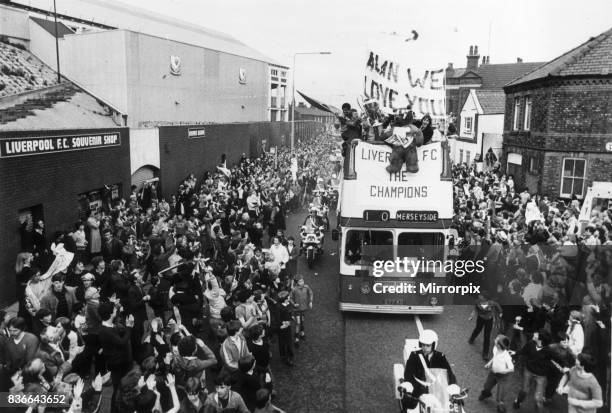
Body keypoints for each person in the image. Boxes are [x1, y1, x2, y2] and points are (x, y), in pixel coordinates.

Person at [98, 301, 135, 412]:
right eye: (114, 310)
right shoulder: (106, 331)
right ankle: (115, 409)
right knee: (119, 388)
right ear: (110, 314)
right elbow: (122, 342)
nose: (116, 311)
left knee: (119, 386)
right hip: (117, 363)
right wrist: (129, 327)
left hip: (118, 360)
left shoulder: (107, 325)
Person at [403, 329, 456, 399]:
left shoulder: (440, 356)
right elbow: (408, 373)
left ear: (434, 345)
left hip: (435, 388)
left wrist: (453, 390)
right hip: (418, 388)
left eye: (428, 345)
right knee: (409, 404)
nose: (425, 348)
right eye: (423, 345)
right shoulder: (414, 355)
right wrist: (409, 388)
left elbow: (449, 374)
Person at [478, 335, 514, 413]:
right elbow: (495, 357)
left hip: (503, 377)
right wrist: (489, 363)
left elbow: (511, 369)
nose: (495, 339)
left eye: (496, 340)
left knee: (500, 396)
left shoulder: (506, 356)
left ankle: (501, 408)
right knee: (487, 386)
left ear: (499, 345)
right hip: (493, 373)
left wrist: (501, 371)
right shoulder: (495, 348)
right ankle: (486, 394)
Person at [468, 292, 502, 360]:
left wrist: (499, 315)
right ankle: (471, 339)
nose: (479, 296)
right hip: (480, 319)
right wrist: (472, 316)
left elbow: (499, 308)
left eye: (481, 296)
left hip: (489, 320)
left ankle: (485, 354)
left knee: (487, 336)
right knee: (477, 329)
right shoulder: (477, 302)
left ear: (485, 298)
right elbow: (475, 309)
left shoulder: (492, 303)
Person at [290, 275, 313, 346]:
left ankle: (302, 332)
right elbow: (290, 298)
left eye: (302, 280)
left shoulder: (306, 287)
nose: (302, 282)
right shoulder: (294, 289)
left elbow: (311, 293)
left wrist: (310, 301)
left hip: (304, 309)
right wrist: (294, 304)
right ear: (297, 283)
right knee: (298, 323)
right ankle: (296, 338)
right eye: (300, 281)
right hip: (297, 310)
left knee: (302, 321)